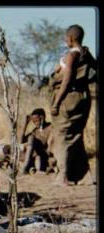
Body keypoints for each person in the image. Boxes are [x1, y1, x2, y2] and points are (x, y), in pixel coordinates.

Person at [49, 24, 97, 185]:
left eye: (65, 37)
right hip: (83, 98)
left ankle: (63, 175)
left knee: (62, 135)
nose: (64, 39)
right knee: (76, 135)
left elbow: (68, 80)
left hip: (68, 99)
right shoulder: (86, 54)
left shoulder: (72, 55)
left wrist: (57, 102)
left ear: (70, 38)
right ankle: (84, 176)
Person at [18, 108, 53, 174]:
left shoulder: (50, 128)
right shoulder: (36, 130)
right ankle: (30, 168)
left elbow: (50, 147)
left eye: (37, 121)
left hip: (43, 155)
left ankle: (25, 167)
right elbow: (21, 141)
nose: (35, 124)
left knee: (31, 138)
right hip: (33, 156)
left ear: (42, 118)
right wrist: (25, 124)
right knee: (8, 148)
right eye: (34, 122)